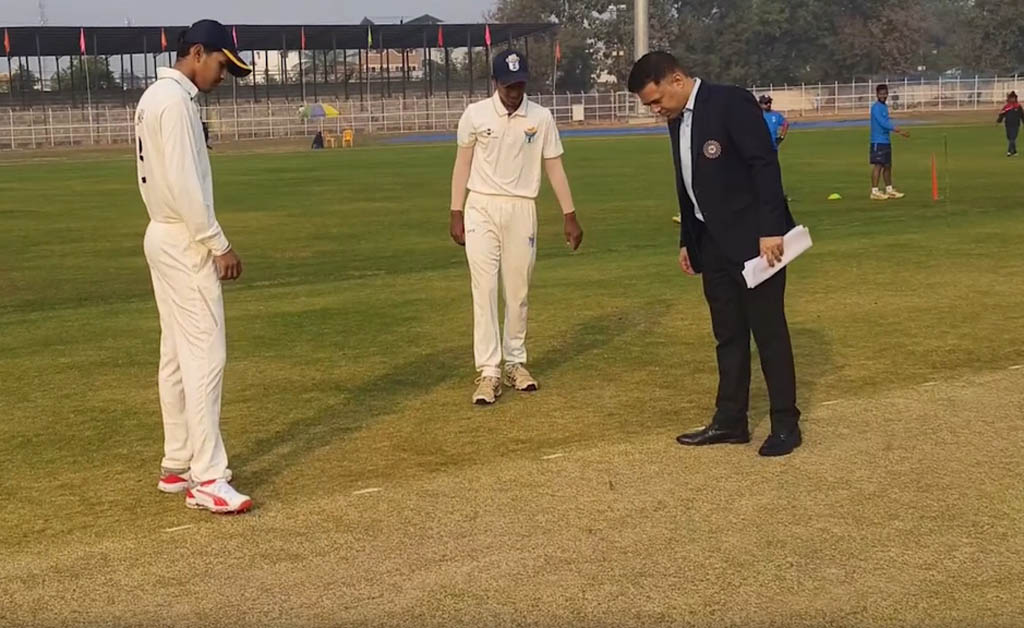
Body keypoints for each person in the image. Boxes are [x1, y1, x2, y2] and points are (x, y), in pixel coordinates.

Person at [628, 51, 802, 456]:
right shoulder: (676, 120)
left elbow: (764, 164)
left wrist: (770, 229)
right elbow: (688, 184)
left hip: (757, 243)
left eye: (656, 100)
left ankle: (785, 424)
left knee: (769, 333)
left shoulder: (730, 102)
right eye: (649, 105)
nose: (655, 110)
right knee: (728, 334)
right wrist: (688, 240)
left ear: (676, 80)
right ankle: (730, 420)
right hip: (712, 243)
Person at [134, 20, 254, 513]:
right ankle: (207, 477)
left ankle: (178, 461)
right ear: (198, 53)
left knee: (177, 353)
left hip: (162, 234)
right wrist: (218, 244)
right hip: (184, 239)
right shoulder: (175, 102)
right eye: (222, 66)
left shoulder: (155, 97)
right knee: (205, 355)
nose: (223, 77)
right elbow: (185, 185)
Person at [449, 49, 584, 405]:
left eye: (520, 85)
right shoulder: (475, 114)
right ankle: (489, 371)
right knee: (484, 289)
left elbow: (554, 166)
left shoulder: (540, 117)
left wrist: (569, 214)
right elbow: (462, 165)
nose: (514, 92)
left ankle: (515, 363)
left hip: (522, 207)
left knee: (518, 290)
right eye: (508, 86)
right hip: (481, 206)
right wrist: (456, 210)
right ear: (495, 82)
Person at [870, 84, 910, 200]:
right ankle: (874, 191)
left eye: (885, 93)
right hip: (878, 141)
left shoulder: (884, 107)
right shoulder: (876, 108)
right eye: (881, 94)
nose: (883, 96)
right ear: (877, 95)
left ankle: (889, 189)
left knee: (887, 165)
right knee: (878, 165)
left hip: (886, 140)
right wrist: (898, 130)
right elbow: (883, 123)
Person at [997, 91, 1023, 157]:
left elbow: (1022, 115)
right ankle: (1014, 151)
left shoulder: (1018, 106)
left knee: (1013, 138)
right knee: (1009, 138)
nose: (1012, 99)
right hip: (1008, 124)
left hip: (1016, 124)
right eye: (1011, 98)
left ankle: (1009, 151)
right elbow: (1002, 114)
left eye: (1013, 98)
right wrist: (999, 120)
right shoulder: (1006, 107)